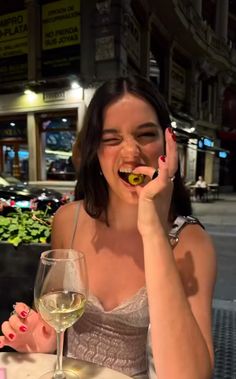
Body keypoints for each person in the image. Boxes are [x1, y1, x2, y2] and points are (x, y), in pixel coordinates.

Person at [0, 76, 216, 379]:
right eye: (112, 139)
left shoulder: (191, 242)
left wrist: (153, 228)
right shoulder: (68, 220)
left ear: (168, 146)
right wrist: (42, 344)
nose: (131, 153)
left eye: (145, 135)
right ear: (95, 152)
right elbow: (58, 328)